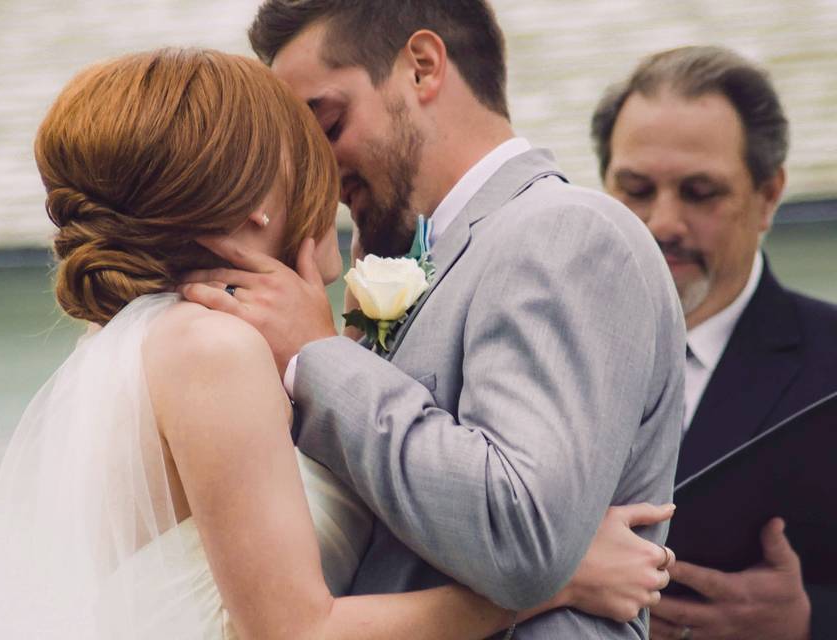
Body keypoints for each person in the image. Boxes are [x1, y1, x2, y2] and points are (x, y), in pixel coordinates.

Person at [0, 48, 675, 640]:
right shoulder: (211, 350)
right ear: (258, 201)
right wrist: (549, 583)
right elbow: (298, 632)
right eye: (307, 152)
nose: (332, 184)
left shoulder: (160, 341)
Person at [179, 2, 686, 638]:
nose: (320, 175)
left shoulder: (565, 231)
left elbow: (520, 533)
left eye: (329, 126)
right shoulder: (421, 259)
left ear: (422, 68)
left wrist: (321, 358)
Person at [592, 45, 837, 639]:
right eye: (636, 189)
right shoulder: (540, 348)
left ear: (769, 196)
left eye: (700, 192)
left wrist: (808, 623)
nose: (663, 223)